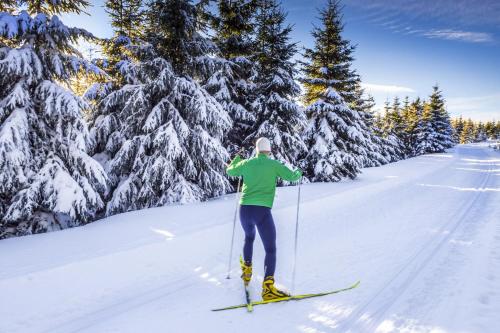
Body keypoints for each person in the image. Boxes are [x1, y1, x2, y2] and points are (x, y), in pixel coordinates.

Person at [226, 137, 302, 300]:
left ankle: (246, 272)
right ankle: (268, 289)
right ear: (269, 150)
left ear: (257, 149)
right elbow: (292, 177)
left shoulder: (246, 163)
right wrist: (298, 172)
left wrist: (237, 159)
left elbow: (230, 171)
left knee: (249, 238)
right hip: (262, 212)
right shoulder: (273, 164)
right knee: (270, 249)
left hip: (244, 210)